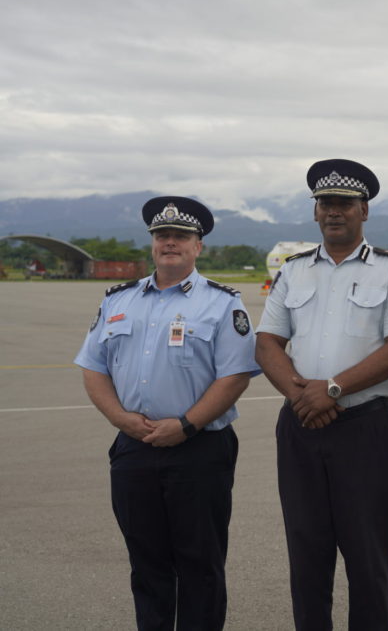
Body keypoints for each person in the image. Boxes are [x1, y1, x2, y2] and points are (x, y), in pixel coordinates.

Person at [74, 196, 260, 630]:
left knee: (201, 566)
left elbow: (234, 376)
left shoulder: (222, 303)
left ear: (199, 247)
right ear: (153, 244)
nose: (170, 242)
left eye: (181, 236)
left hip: (199, 450)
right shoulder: (118, 300)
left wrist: (187, 424)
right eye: (162, 236)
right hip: (133, 448)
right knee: (147, 564)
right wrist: (121, 419)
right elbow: (93, 367)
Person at [255, 158, 388, 631]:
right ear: (315, 212)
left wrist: (332, 390)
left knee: (368, 561)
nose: (334, 212)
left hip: (364, 430)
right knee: (306, 557)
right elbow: (267, 342)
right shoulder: (293, 272)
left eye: (345, 203)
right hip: (301, 428)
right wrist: (301, 398)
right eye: (326, 203)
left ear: (363, 211)